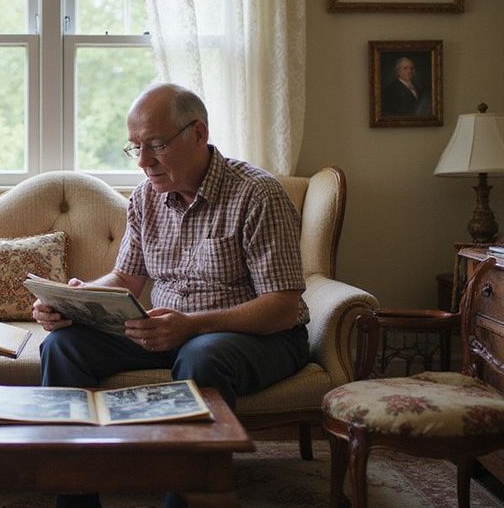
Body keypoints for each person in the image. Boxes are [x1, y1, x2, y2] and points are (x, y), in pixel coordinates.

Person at [32, 83, 310, 508]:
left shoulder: (257, 194)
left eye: (156, 145)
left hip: (260, 337)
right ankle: (75, 500)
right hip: (168, 331)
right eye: (135, 147)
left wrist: (192, 326)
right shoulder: (146, 197)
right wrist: (75, 299)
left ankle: (183, 501)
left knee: (203, 355)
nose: (143, 161)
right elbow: (126, 278)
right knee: (62, 345)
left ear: (198, 134)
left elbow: (282, 307)